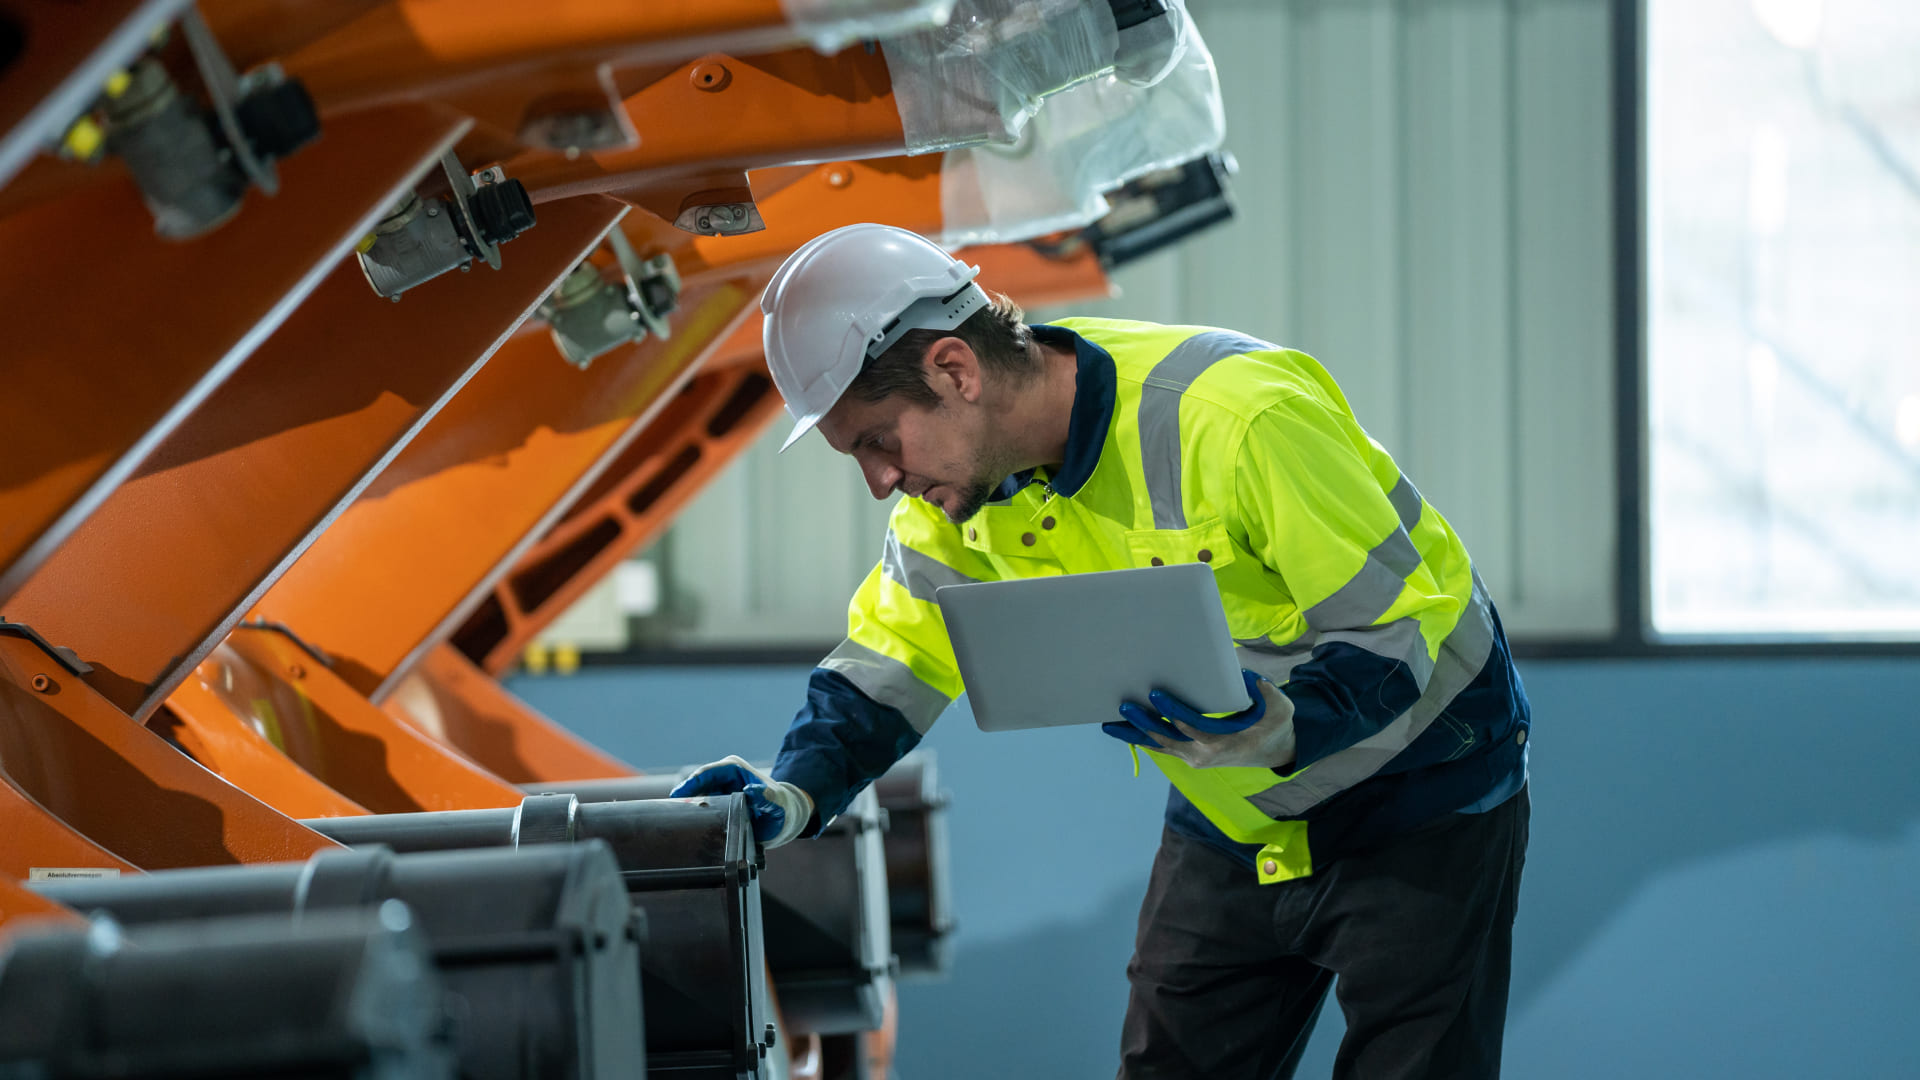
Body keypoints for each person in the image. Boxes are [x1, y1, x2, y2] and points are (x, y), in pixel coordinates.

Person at [673, 223, 1532, 1079]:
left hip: (1424, 792)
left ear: (955, 370)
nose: (879, 481)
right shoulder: (954, 505)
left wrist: (1284, 729)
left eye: (877, 440)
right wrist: (794, 793)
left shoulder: (1238, 418)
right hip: (1236, 815)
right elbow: (889, 665)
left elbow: (1393, 632)